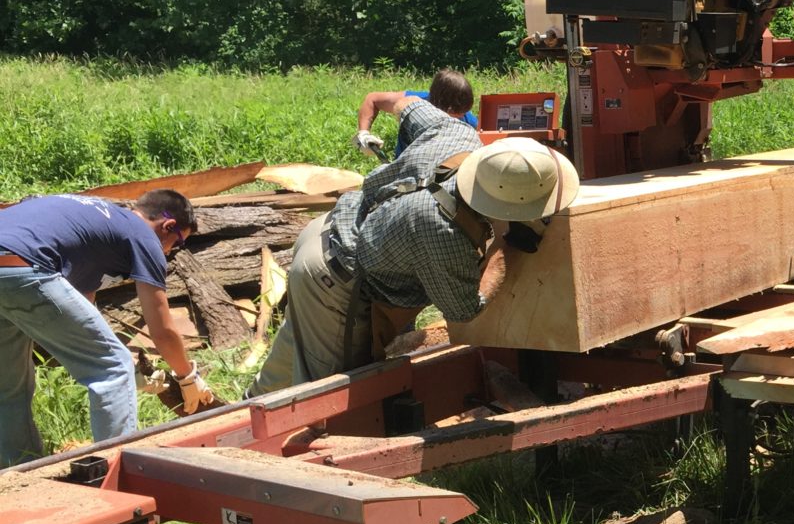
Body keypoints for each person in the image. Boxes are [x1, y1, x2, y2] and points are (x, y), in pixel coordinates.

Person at [248, 136, 578, 395]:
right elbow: (464, 309)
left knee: (292, 356)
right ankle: (281, 466)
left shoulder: (458, 136)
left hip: (325, 233)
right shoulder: (443, 229)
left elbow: (406, 105)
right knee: (326, 398)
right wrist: (508, 249)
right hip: (335, 281)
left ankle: (244, 415)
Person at [0, 189, 213, 467]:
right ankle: (118, 477)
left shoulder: (103, 223)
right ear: (168, 226)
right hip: (25, 266)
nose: (171, 251)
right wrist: (187, 376)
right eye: (178, 243)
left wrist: (133, 372)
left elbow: (81, 316)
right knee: (113, 369)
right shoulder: (143, 235)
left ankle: (17, 470)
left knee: (8, 385)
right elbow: (161, 328)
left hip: (14, 262)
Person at [354, 69, 479, 160]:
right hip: (404, 171)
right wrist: (364, 134)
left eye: (463, 112)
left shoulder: (469, 121)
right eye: (455, 112)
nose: (460, 115)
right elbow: (372, 99)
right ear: (439, 101)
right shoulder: (411, 103)